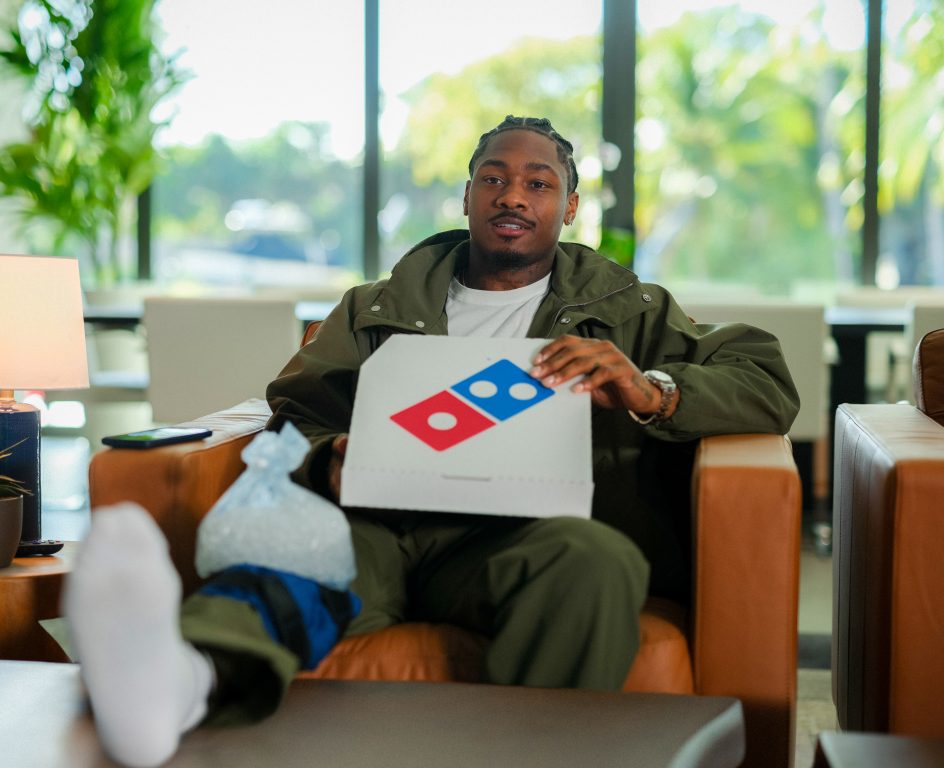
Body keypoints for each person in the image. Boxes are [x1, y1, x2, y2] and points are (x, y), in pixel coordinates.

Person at [64, 115, 799, 768]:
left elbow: (765, 379)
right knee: (296, 551)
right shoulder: (375, 307)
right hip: (380, 522)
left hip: (524, 537)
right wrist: (330, 457)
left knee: (597, 560)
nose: (513, 196)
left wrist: (650, 390)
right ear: (468, 197)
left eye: (538, 184)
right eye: (494, 178)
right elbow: (297, 409)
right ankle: (176, 681)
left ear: (569, 207)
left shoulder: (629, 312)